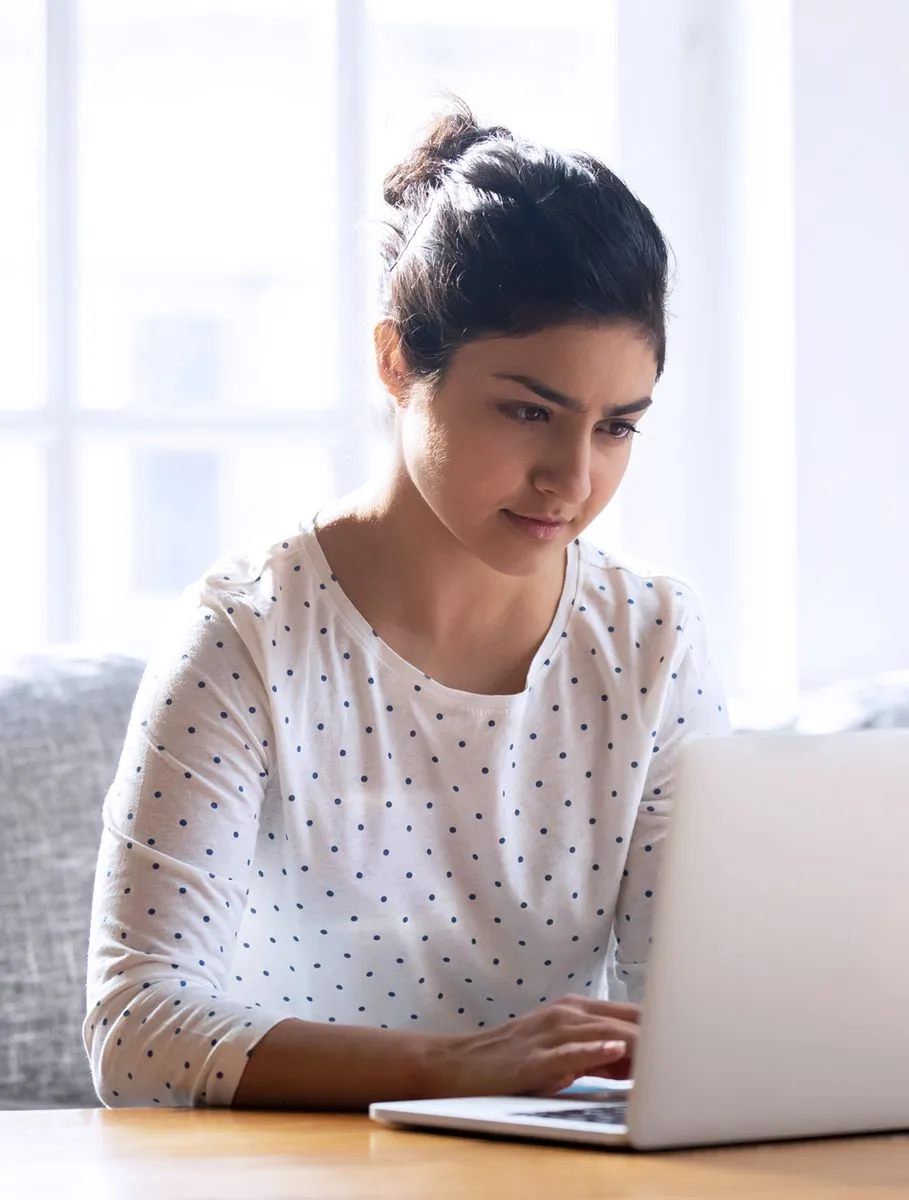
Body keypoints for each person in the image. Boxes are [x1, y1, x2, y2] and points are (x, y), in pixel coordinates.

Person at [84, 101, 728, 1110]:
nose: (571, 477)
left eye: (616, 427)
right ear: (396, 363)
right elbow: (136, 1030)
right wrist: (453, 1070)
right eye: (528, 411)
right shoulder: (247, 633)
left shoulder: (652, 639)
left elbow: (697, 1020)